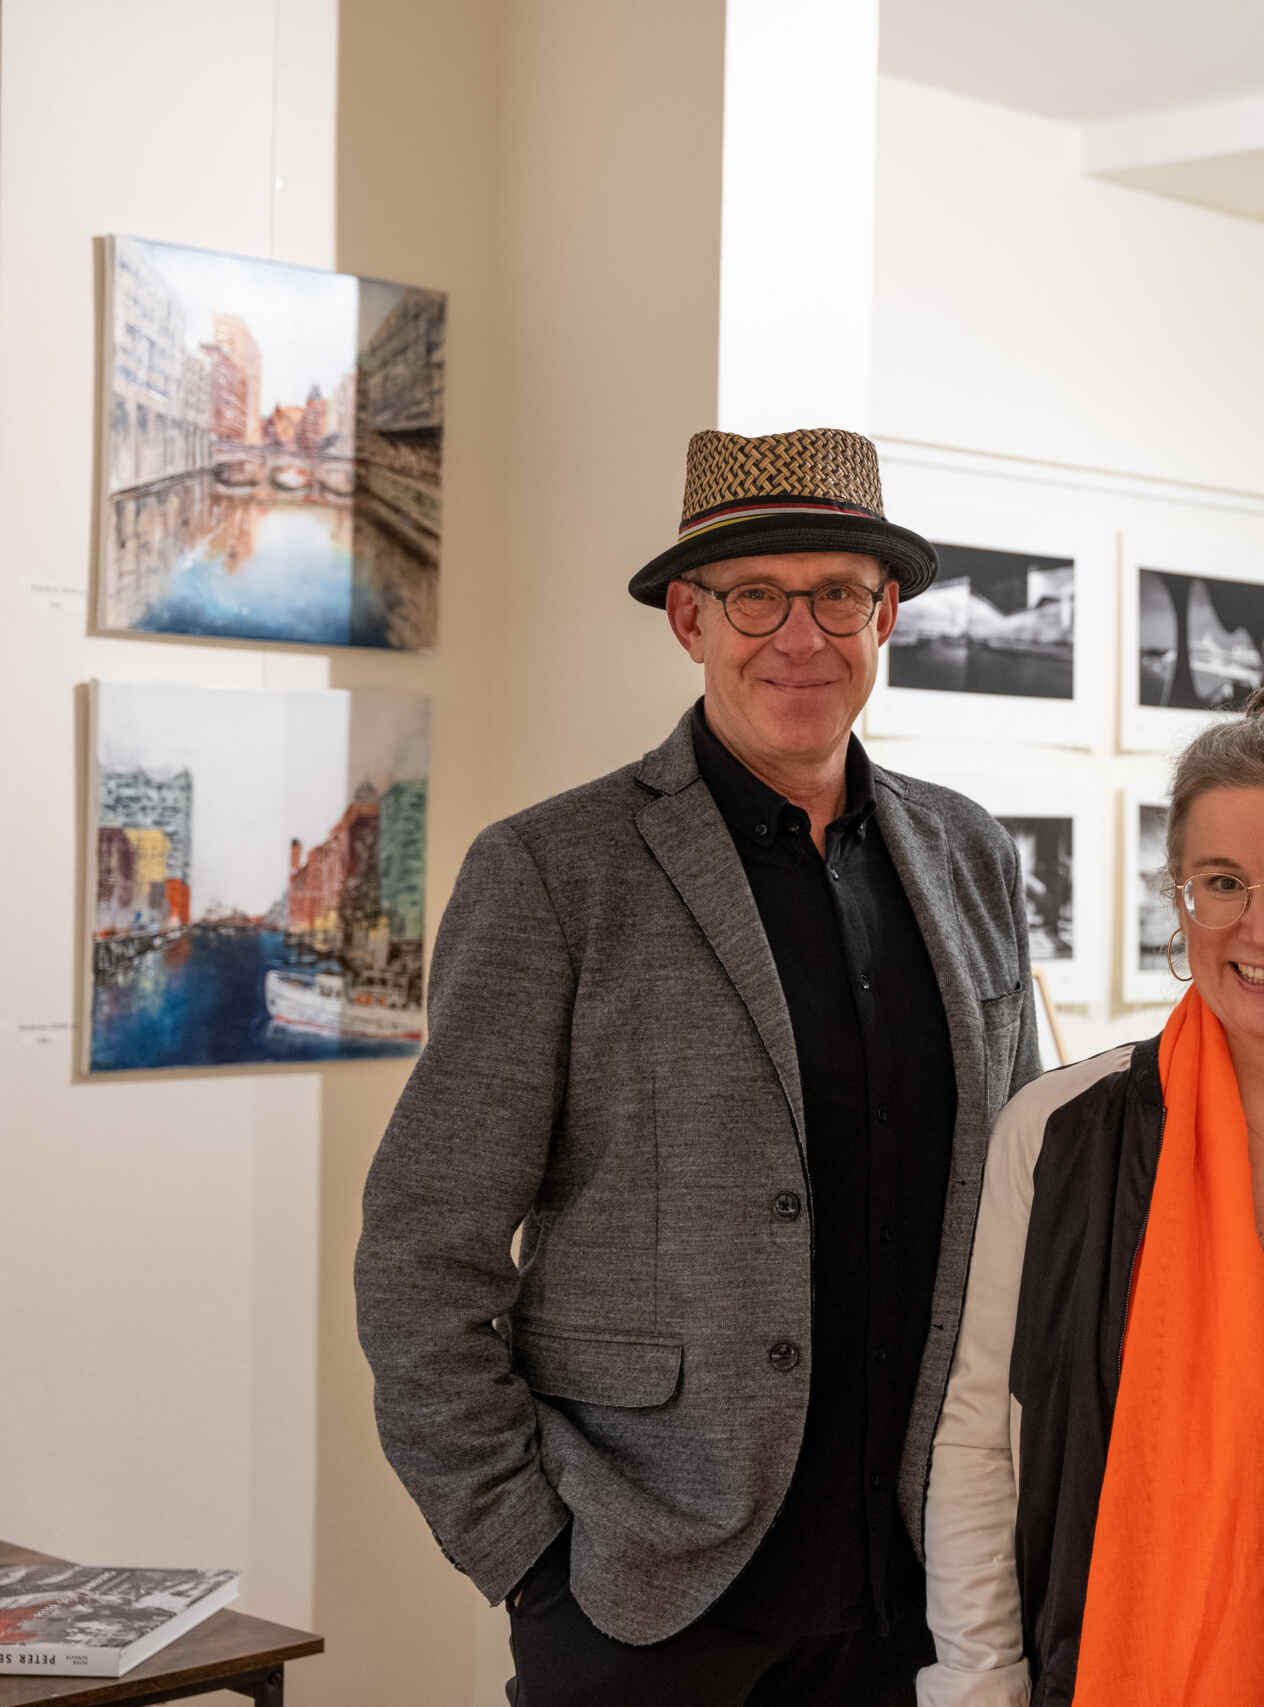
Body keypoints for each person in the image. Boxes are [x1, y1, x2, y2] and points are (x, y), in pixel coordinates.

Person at [355, 427, 1042, 1705]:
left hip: (920, 1586)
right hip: (645, 1597)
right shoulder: (555, 873)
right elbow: (420, 1243)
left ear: (884, 614)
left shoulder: (972, 857)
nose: (801, 634)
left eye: (838, 591)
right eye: (755, 596)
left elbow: (1017, 1202)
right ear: (689, 619)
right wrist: (526, 1551)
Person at [918, 686, 1264, 1707]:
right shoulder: (1061, 1139)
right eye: (1221, 883)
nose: (1260, 926)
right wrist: (977, 1686)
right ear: (1179, 900)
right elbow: (976, 1444)